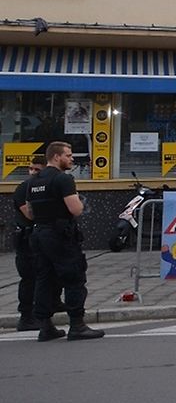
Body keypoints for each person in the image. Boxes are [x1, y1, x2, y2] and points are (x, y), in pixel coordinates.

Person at [21, 141, 104, 341]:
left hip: (39, 234)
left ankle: (45, 326)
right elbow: (75, 210)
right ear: (56, 157)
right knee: (74, 277)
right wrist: (80, 203)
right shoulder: (63, 179)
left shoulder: (32, 182)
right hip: (60, 235)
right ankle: (77, 325)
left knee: (44, 279)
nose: (72, 159)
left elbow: (30, 213)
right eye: (68, 155)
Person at [11, 151, 62, 331]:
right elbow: (30, 214)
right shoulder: (24, 188)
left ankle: (51, 305)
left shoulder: (44, 184)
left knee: (49, 274)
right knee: (29, 278)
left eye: (37, 169)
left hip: (41, 236)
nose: (33, 172)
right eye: (30, 169)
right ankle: (26, 317)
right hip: (27, 237)